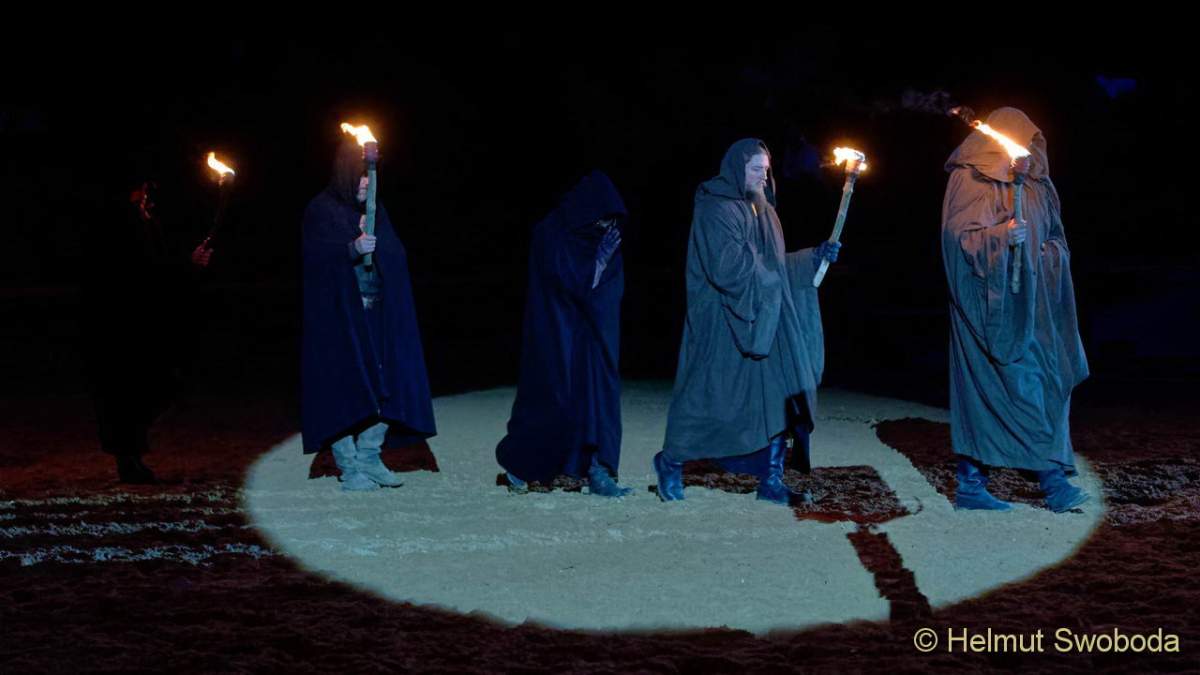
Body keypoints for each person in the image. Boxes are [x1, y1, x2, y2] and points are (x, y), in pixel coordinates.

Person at [656, 139, 840, 504]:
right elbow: (727, 268)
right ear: (736, 168)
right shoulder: (716, 208)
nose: (763, 177)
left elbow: (777, 265)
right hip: (725, 320)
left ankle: (771, 480)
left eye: (766, 170)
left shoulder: (766, 211)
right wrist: (770, 281)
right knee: (708, 398)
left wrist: (813, 258)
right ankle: (670, 462)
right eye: (756, 169)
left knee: (781, 394)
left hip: (767, 320)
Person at [940, 107, 1089, 512]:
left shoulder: (1038, 184)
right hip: (989, 307)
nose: (1028, 148)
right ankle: (1038, 484)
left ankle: (989, 484)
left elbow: (1057, 238)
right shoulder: (971, 178)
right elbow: (957, 240)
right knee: (999, 389)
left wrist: (1043, 254)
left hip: (1036, 305)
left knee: (1047, 384)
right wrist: (1000, 238)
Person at [301, 138, 436, 491]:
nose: (366, 182)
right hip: (341, 321)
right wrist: (351, 248)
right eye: (360, 176)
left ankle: (370, 456)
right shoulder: (322, 209)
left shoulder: (377, 208)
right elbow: (314, 263)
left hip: (377, 315)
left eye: (369, 176)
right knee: (344, 389)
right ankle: (349, 468)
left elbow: (395, 256)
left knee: (389, 384)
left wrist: (378, 246)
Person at [496, 171, 632, 497]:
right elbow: (559, 283)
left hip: (595, 336)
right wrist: (594, 269)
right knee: (553, 397)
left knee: (599, 397)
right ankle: (523, 468)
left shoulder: (605, 238)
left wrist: (600, 271)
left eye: (611, 222)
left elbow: (609, 291)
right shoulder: (552, 232)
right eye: (601, 221)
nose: (606, 228)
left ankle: (599, 469)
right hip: (557, 333)